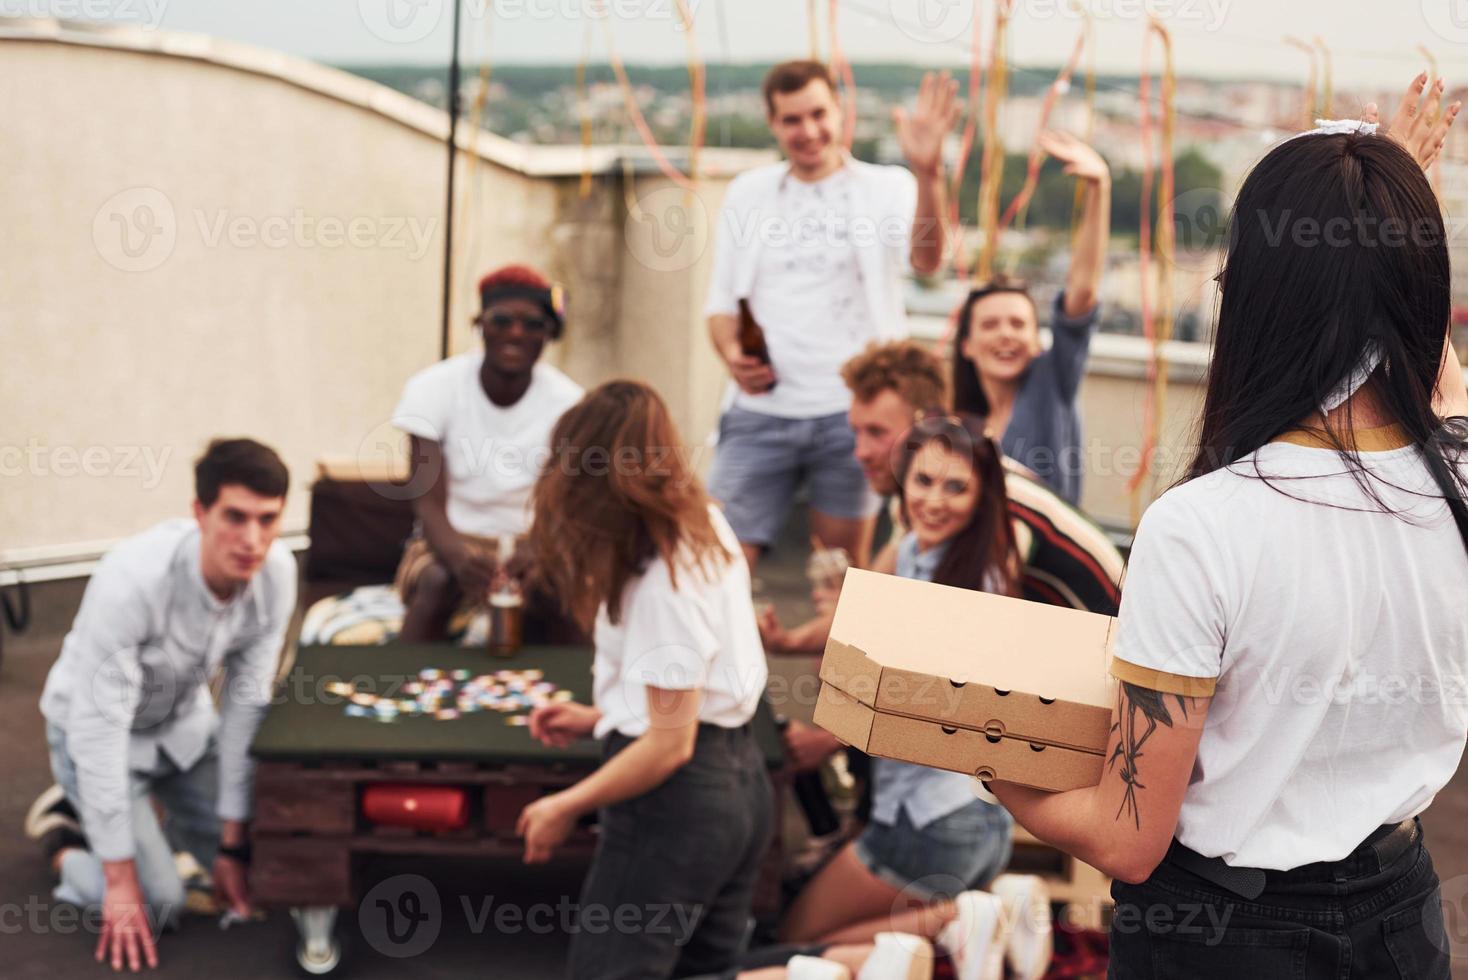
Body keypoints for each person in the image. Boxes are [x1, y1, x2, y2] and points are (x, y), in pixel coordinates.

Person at [988, 77, 1468, 978]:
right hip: (1400, 915)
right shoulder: (1458, 474)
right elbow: (1433, 365)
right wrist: (1392, 200)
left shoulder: (1201, 528)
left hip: (1225, 938)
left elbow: (1127, 839)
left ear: (1249, 296)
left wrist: (986, 760)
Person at [515, 380, 773, 980]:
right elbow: (693, 692)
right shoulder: (703, 523)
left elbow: (669, 746)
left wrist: (564, 805)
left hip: (679, 807)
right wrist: (603, 716)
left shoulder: (660, 582)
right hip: (742, 782)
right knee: (705, 969)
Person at [27, 439, 296, 972]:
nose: (252, 539)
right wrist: (120, 880)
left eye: (268, 520)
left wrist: (232, 849)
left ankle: (147, 823)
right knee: (160, 902)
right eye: (235, 517)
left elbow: (245, 709)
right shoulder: (129, 581)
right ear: (199, 513)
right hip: (96, 735)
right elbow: (97, 730)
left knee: (272, 869)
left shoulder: (276, 574)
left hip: (181, 727)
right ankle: (66, 840)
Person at [779, 415, 1024, 957]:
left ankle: (952, 924)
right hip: (970, 819)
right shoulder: (916, 548)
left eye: (956, 486)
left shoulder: (975, 585)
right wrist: (791, 638)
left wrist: (829, 737)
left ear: (983, 495)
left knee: (797, 944)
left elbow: (936, 702)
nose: (934, 500)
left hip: (932, 822)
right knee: (827, 942)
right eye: (924, 481)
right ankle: (964, 924)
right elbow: (860, 607)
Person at [705, 62, 960, 571]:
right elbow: (721, 308)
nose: (809, 131)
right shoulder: (748, 193)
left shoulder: (885, 186)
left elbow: (928, 262)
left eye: (818, 114)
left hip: (852, 416)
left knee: (841, 574)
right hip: (761, 412)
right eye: (792, 120)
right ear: (773, 123)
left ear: (840, 112)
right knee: (717, 563)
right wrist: (734, 356)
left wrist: (929, 173)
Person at [759, 339, 1123, 665]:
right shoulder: (925, 487)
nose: (861, 453)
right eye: (855, 431)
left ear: (926, 425)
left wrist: (826, 738)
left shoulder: (1002, 507)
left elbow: (972, 645)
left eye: (877, 433)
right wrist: (790, 641)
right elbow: (872, 599)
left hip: (1100, 656)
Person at [392, 263, 584, 641]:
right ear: (479, 324)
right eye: (501, 320)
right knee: (437, 583)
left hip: (535, 543)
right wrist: (461, 560)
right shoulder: (433, 388)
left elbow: (567, 502)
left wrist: (538, 550)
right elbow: (427, 503)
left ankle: (580, 693)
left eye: (532, 324)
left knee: (561, 592)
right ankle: (398, 687)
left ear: (549, 333)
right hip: (451, 540)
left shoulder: (569, 403)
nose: (515, 332)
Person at [950, 131, 1112, 504]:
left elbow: (1083, 292)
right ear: (967, 346)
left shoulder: (1050, 381)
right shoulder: (965, 427)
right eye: (990, 325)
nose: (1006, 334)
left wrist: (1098, 187)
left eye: (1019, 323)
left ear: (1038, 341)